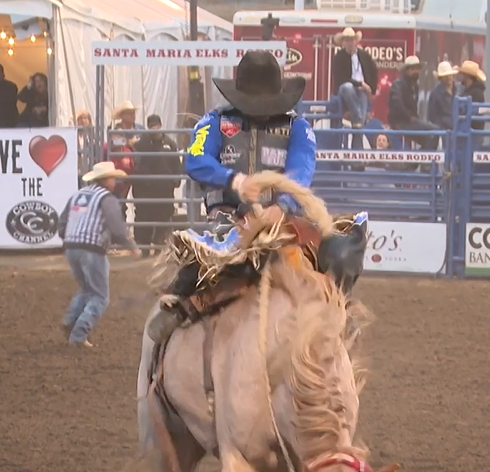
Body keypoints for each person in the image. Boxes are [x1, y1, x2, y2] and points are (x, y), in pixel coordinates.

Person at [148, 50, 367, 343]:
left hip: (283, 223)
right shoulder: (215, 121)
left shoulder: (298, 127)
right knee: (197, 268)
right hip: (228, 221)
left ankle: (341, 311)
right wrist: (234, 180)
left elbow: (301, 170)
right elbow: (195, 159)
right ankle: (178, 308)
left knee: (340, 251)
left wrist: (282, 206)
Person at [57, 161, 141, 347]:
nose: (114, 181)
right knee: (100, 296)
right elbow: (116, 226)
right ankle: (78, 334)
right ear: (106, 180)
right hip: (92, 248)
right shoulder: (107, 198)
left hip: (71, 246)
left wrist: (69, 238)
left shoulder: (77, 195)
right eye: (112, 177)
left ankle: (70, 321)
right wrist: (130, 245)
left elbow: (62, 223)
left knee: (87, 289)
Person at [131, 114, 183, 257]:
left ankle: (159, 246)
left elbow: (176, 164)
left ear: (160, 125)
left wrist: (176, 179)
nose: (154, 128)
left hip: (164, 188)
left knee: (164, 216)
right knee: (144, 217)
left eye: (156, 125)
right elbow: (135, 165)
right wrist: (140, 181)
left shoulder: (170, 144)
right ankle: (144, 247)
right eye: (152, 126)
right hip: (146, 189)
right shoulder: (141, 145)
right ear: (148, 127)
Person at [387, 56, 440, 150]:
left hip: (409, 122)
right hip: (400, 122)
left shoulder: (415, 86)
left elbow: (412, 108)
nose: (416, 71)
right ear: (406, 71)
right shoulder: (398, 84)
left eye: (417, 69)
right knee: (435, 130)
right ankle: (422, 164)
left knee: (430, 138)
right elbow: (396, 103)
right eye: (413, 69)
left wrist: (415, 119)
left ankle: (413, 164)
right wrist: (409, 117)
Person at [330, 27, 378, 128]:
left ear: (355, 41)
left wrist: (371, 90)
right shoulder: (339, 57)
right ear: (343, 43)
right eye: (347, 40)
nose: (349, 43)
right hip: (345, 91)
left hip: (362, 91)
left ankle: (358, 125)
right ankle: (358, 115)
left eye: (351, 40)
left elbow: (374, 71)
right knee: (347, 87)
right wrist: (361, 84)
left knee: (359, 125)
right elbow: (340, 79)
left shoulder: (364, 55)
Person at [454, 60, 487, 130]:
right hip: (467, 129)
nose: (460, 76)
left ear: (467, 76)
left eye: (462, 74)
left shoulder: (476, 93)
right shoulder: (468, 91)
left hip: (472, 131)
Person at [427, 61, 456, 130]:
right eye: (445, 76)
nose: (448, 77)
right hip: (443, 131)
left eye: (450, 75)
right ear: (440, 78)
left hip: (459, 130)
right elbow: (432, 116)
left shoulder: (459, 90)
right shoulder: (435, 94)